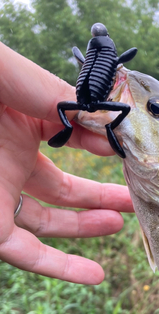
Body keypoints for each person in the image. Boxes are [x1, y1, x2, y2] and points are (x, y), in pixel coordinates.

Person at [0, 42, 134, 285]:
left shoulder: (103, 59)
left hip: (84, 97)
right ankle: (80, 125)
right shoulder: (98, 60)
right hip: (84, 98)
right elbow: (62, 101)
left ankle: (94, 126)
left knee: (72, 107)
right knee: (68, 107)